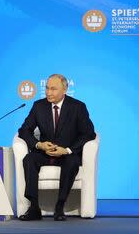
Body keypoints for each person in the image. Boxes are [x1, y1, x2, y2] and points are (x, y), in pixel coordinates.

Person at [17, 74, 96, 221]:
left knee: (72, 163)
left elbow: (89, 133)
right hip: (44, 152)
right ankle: (34, 208)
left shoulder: (78, 107)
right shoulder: (38, 106)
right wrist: (39, 144)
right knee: (29, 159)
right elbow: (24, 130)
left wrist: (67, 150)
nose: (48, 92)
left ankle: (60, 207)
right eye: (47, 88)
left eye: (53, 89)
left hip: (67, 153)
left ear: (64, 89)